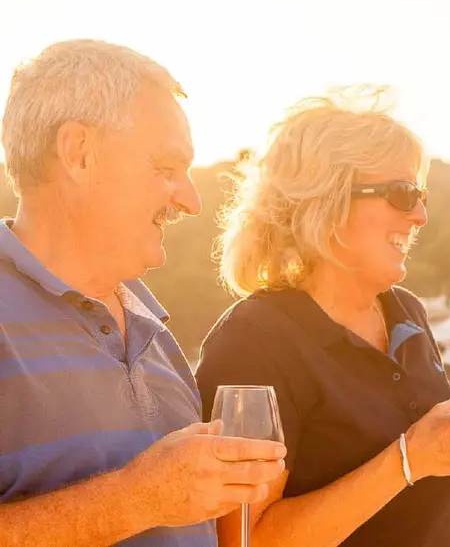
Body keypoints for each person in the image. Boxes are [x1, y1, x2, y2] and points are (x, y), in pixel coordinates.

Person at [194, 87, 450, 547]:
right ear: (327, 202)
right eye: (402, 194)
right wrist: (412, 458)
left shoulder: (405, 311)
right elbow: (245, 540)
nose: (420, 216)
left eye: (421, 195)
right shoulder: (254, 341)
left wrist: (449, 446)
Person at [0, 40, 285, 546]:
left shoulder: (153, 330)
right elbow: (150, 499)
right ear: (79, 153)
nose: (192, 202)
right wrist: (137, 499)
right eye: (166, 169)